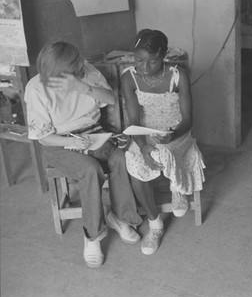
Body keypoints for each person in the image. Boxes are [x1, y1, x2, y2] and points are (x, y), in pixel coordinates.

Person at [25, 41, 143, 268]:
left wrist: (82, 87)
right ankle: (93, 236)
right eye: (75, 66)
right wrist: (73, 142)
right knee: (91, 169)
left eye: (79, 63)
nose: (82, 65)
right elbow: (43, 137)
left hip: (93, 134)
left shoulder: (85, 70)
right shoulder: (36, 88)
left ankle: (120, 217)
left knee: (120, 157)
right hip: (58, 143)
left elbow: (109, 98)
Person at [121, 29, 205, 255]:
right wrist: (143, 145)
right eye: (139, 60)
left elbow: (188, 120)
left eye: (153, 61)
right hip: (144, 134)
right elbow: (134, 120)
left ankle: (177, 186)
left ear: (165, 55)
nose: (144, 67)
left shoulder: (179, 75)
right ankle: (155, 224)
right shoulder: (129, 78)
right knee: (136, 165)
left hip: (176, 132)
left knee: (164, 150)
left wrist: (172, 135)